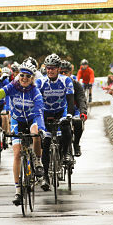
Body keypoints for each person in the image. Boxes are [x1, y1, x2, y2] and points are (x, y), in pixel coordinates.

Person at [0, 61, 45, 205]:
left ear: (32, 78)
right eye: (22, 75)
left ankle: (38, 160)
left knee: (36, 133)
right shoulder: (12, 87)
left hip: (32, 120)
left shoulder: (35, 91)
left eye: (28, 76)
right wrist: (0, 82)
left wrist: (42, 129)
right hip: (17, 121)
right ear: (18, 75)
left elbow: (39, 113)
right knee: (17, 154)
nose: (24, 78)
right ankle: (18, 191)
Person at [36, 53, 75, 191]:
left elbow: (70, 100)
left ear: (58, 69)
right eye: (48, 68)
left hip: (60, 111)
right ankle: (45, 176)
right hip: (45, 113)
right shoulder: (40, 82)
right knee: (45, 143)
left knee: (66, 129)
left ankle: (66, 154)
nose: (50, 70)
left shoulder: (66, 81)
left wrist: (69, 114)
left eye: (53, 68)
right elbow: (37, 101)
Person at [59, 60, 87, 157]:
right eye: (60, 72)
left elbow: (81, 99)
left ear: (70, 73)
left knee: (78, 121)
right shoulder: (55, 84)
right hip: (61, 110)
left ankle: (76, 144)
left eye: (65, 72)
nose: (63, 75)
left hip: (74, 109)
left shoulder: (76, 84)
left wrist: (83, 112)